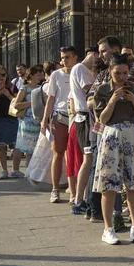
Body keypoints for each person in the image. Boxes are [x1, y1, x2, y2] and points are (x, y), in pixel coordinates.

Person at [93, 53, 134, 245]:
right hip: (112, 136)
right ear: (110, 71)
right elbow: (102, 119)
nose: (122, 77)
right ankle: (108, 228)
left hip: (132, 136)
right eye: (118, 73)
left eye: (125, 73)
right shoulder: (102, 90)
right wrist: (112, 101)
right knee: (109, 183)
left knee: (133, 182)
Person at [42, 47, 77, 202]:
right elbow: (50, 99)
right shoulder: (56, 74)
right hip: (60, 116)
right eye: (62, 57)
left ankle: (73, 191)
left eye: (67, 57)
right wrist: (45, 120)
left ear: (75, 57)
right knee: (58, 153)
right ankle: (55, 189)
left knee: (74, 154)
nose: (64, 60)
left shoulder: (80, 72)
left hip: (76, 117)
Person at [68, 52, 96, 215]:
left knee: (88, 159)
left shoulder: (78, 70)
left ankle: (81, 199)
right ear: (93, 54)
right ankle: (79, 200)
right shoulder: (80, 69)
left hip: (82, 117)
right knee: (88, 159)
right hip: (85, 118)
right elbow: (90, 91)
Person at [13, 66, 44, 166]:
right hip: (26, 120)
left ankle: (30, 166)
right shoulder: (25, 88)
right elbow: (16, 105)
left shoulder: (40, 88)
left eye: (40, 75)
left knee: (33, 146)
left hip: (37, 120)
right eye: (37, 75)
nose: (39, 77)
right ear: (31, 75)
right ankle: (15, 169)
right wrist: (31, 103)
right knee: (22, 144)